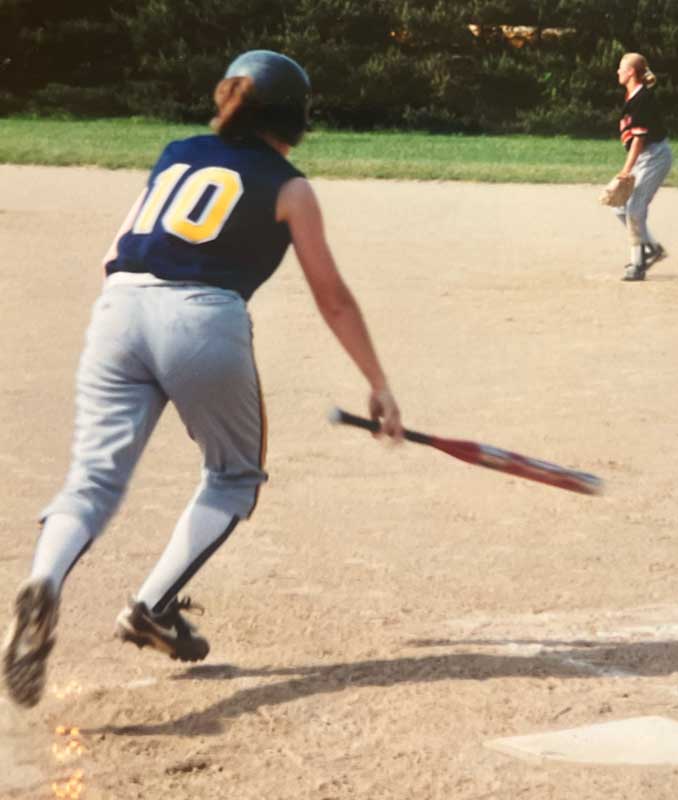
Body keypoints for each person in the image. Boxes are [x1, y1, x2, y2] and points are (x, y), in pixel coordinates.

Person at [2, 50, 402, 709]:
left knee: (93, 479)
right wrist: (379, 383)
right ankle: (151, 606)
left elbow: (114, 250)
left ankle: (44, 580)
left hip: (119, 308)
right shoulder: (290, 187)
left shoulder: (177, 153)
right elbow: (331, 297)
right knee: (234, 476)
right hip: (202, 320)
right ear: (297, 118)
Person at [614, 52, 673, 281]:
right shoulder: (632, 97)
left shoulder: (642, 99)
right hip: (644, 158)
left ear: (630, 72)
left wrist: (625, 170)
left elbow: (639, 139)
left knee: (635, 208)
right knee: (619, 207)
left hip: (655, 156)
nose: (617, 71)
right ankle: (651, 248)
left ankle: (637, 264)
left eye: (621, 67)